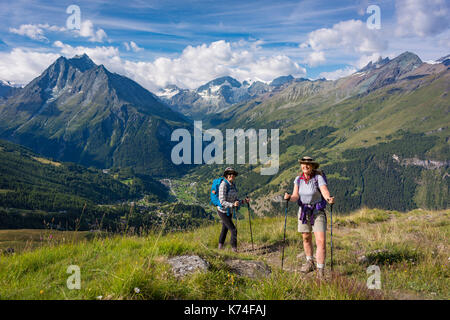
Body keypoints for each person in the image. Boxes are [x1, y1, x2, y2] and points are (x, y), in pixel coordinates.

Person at [284, 156, 334, 279]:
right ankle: (310, 262)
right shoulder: (298, 179)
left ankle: (320, 271)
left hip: (317, 212)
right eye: (303, 164)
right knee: (306, 238)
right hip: (303, 211)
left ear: (312, 166)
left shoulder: (318, 178)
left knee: (321, 242)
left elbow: (324, 191)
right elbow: (296, 196)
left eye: (308, 164)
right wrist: (289, 198)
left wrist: (328, 199)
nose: (305, 166)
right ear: (301, 165)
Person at [217, 167, 249, 252]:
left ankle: (219, 248)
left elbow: (236, 200)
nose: (232, 175)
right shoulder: (223, 185)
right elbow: (222, 201)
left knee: (225, 229)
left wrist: (243, 201)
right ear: (226, 176)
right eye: (229, 174)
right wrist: (232, 204)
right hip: (223, 211)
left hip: (229, 211)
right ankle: (234, 250)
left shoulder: (233, 185)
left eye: (233, 174)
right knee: (233, 230)